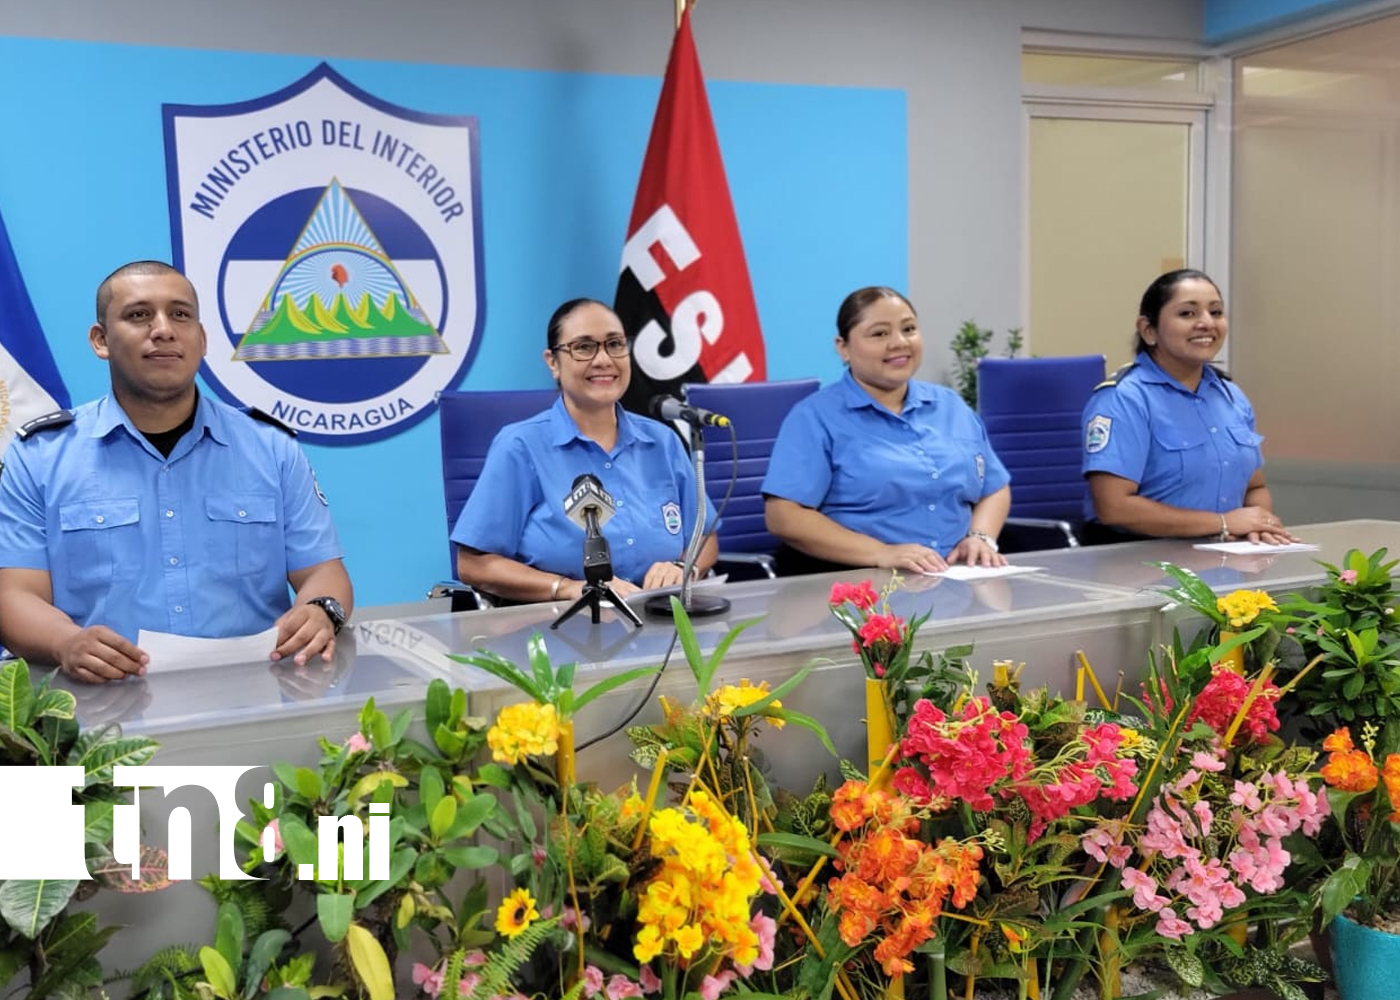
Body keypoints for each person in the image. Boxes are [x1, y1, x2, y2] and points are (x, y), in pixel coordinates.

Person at [0, 261, 353, 684]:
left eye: (180, 314)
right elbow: (14, 594)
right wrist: (65, 642)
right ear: (101, 340)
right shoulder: (40, 455)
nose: (163, 329)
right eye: (138, 315)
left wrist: (319, 610)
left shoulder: (271, 447)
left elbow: (322, 572)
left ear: (201, 340)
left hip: (253, 695)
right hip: (97, 706)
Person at [451, 298, 718, 603]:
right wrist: (568, 588)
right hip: (561, 627)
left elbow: (705, 534)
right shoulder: (521, 447)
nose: (604, 359)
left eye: (615, 344)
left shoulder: (662, 441)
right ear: (553, 362)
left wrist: (684, 567)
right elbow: (474, 563)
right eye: (584, 347)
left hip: (661, 621)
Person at [762, 286, 1011, 574]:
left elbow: (995, 488)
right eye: (880, 334)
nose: (899, 342)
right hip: (859, 584)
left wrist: (980, 537)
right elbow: (784, 516)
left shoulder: (950, 406)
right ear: (843, 347)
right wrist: (881, 553)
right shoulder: (814, 417)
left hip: (956, 581)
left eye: (909, 329)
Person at [1081, 268, 1295, 544]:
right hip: (1141, 565)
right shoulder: (1124, 398)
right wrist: (1222, 523)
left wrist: (1257, 525)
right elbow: (1114, 508)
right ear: (1148, 330)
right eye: (1187, 314)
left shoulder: (1231, 396)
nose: (1207, 323)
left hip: (1225, 558)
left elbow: (1255, 488)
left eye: (1216, 312)